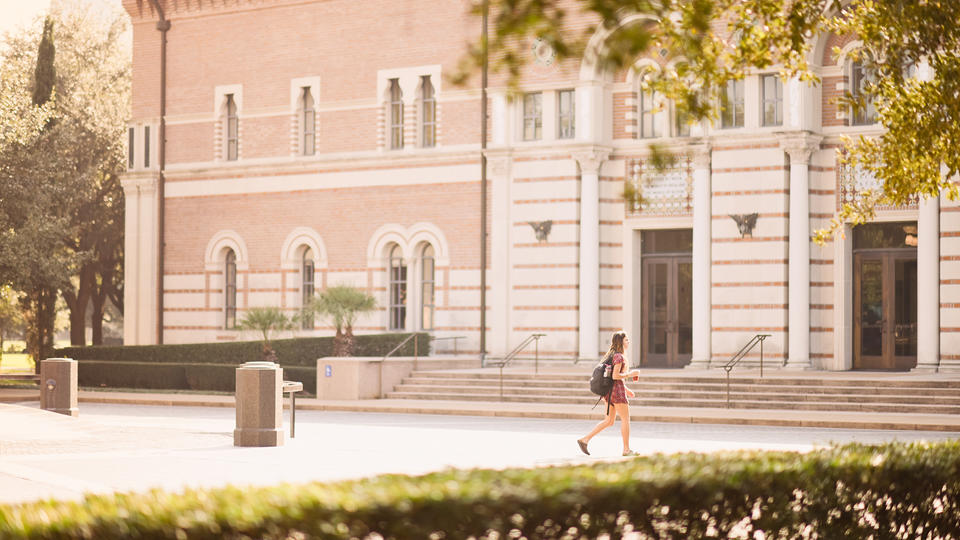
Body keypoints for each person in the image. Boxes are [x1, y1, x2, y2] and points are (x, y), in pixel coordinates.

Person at [577, 330, 640, 457]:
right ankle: (626, 450)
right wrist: (632, 374)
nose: (628, 342)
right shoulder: (619, 357)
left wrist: (627, 390)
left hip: (609, 393)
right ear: (620, 342)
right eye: (626, 340)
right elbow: (616, 375)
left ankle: (585, 440)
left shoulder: (612, 355)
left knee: (609, 420)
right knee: (625, 419)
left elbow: (613, 377)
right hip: (617, 393)